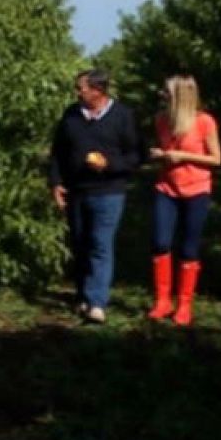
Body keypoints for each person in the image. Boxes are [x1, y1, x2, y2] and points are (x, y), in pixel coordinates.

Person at [48, 69, 142, 323]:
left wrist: (109, 165)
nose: (77, 93)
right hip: (77, 191)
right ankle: (82, 295)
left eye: (82, 88)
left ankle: (97, 302)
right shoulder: (71, 115)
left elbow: (135, 156)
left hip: (109, 191)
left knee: (100, 244)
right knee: (80, 244)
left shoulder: (122, 116)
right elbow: (58, 152)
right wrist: (56, 182)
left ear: (98, 91)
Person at [146, 75, 221, 326]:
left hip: (196, 189)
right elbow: (166, 152)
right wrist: (161, 155)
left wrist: (183, 156)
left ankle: (184, 304)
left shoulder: (204, 121)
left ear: (180, 96)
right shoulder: (161, 120)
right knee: (160, 242)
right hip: (166, 187)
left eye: (167, 92)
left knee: (189, 248)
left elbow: (216, 159)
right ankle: (162, 300)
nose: (162, 95)